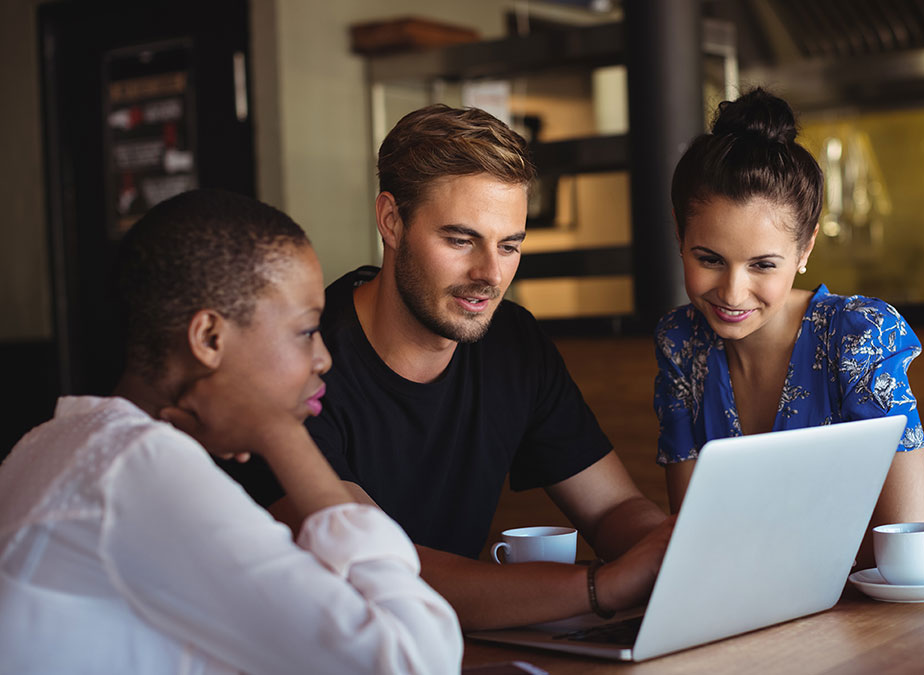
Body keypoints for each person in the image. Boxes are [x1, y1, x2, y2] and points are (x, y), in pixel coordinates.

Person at [229, 105, 671, 631]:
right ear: (391, 221)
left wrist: (670, 551)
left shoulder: (514, 344)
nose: (489, 274)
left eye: (509, 245)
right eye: (460, 240)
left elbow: (611, 507)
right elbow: (382, 575)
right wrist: (602, 587)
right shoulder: (301, 364)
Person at [0, 190, 462, 674]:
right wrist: (281, 435)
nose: (323, 358)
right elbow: (415, 659)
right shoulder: (142, 468)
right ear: (209, 339)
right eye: (306, 331)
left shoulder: (52, 441)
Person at [654, 89, 924, 566]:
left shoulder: (860, 337)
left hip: (861, 615)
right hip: (733, 614)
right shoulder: (681, 343)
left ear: (805, 251)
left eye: (763, 265)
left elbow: (908, 553)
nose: (733, 292)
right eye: (709, 259)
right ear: (679, 233)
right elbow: (694, 545)